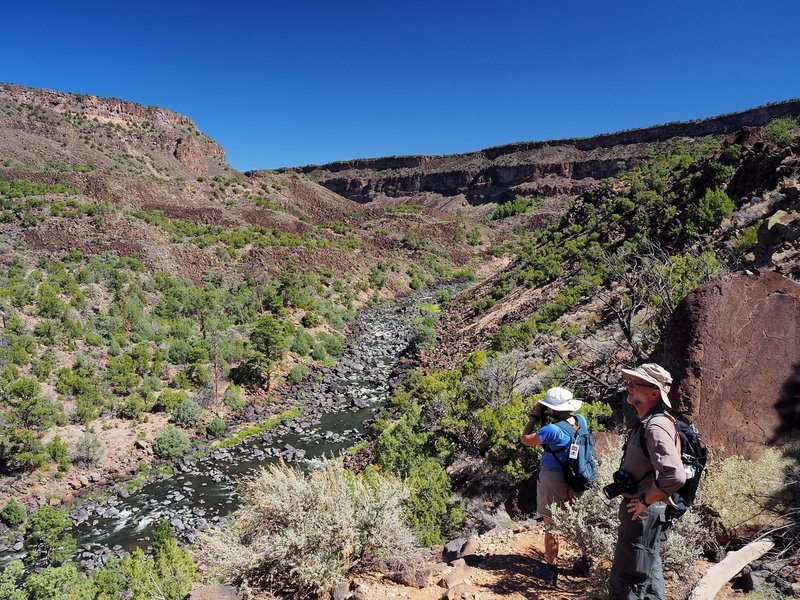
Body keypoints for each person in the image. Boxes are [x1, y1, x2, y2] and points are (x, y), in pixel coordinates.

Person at [608, 363, 687, 600]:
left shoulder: (656, 425)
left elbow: (675, 474)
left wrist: (644, 499)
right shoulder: (648, 422)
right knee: (648, 579)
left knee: (627, 583)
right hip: (646, 512)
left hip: (644, 514)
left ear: (654, 392)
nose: (628, 387)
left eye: (635, 384)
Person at [521, 386, 592, 586]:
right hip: (577, 477)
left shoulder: (551, 430)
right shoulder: (581, 421)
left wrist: (535, 415)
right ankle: (586, 562)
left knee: (552, 524)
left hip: (554, 479)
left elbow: (525, 439)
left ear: (551, 408)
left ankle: (551, 569)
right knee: (578, 520)